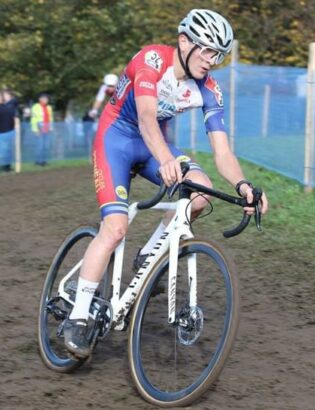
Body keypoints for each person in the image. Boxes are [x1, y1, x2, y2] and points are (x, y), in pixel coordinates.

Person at [62, 9, 269, 358]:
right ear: (184, 41)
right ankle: (78, 317)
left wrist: (243, 186)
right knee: (114, 229)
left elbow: (222, 151)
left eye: (218, 54)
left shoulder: (209, 89)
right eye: (205, 50)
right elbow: (145, 117)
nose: (211, 60)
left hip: (154, 144)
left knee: (200, 192)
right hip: (116, 140)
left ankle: (149, 254)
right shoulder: (152, 60)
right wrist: (166, 159)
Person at [0, 91, 15, 172]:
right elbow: (12, 122)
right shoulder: (9, 108)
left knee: (1, 152)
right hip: (8, 134)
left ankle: (3, 168)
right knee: (7, 151)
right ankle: (7, 167)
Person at [30, 93, 54, 166]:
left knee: (46, 146)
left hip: (47, 128)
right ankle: (38, 161)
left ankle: (44, 161)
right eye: (43, 98)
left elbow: (50, 118)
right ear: (39, 99)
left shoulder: (49, 107)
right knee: (40, 146)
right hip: (39, 128)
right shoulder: (35, 107)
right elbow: (33, 119)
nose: (45, 100)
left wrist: (51, 127)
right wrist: (35, 130)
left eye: (46, 99)